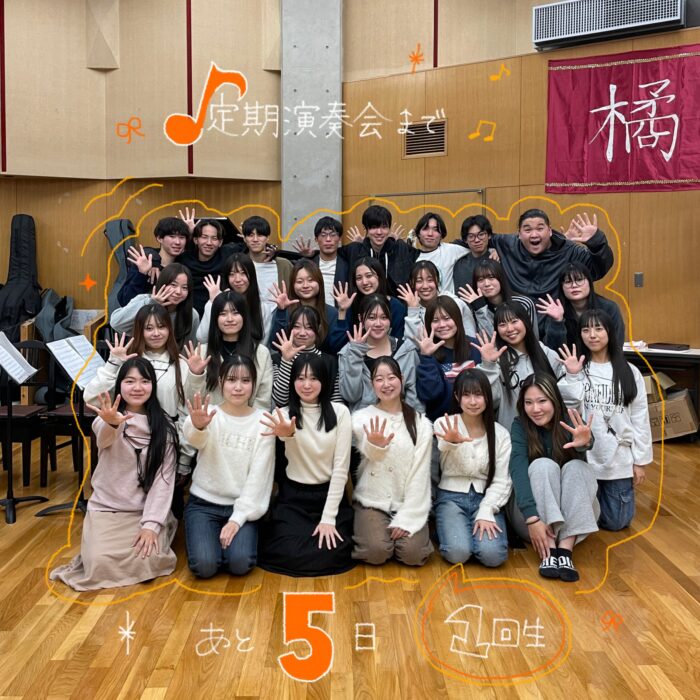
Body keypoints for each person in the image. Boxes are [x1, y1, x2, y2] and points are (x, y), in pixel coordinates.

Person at [50, 358, 179, 590]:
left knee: (148, 558)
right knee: (98, 563)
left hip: (143, 512)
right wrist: (111, 424)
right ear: (119, 385)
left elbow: (163, 483)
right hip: (107, 509)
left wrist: (150, 525)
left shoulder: (165, 427)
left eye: (144, 381)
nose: (137, 387)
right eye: (130, 381)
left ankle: (159, 531)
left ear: (153, 385)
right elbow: (104, 439)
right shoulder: (107, 419)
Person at [258, 354, 355, 576]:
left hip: (328, 495)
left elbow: (341, 469)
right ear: (293, 381)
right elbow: (287, 448)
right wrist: (287, 436)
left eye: (313, 378)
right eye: (300, 378)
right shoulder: (282, 415)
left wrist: (328, 518)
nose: (307, 385)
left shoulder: (340, 412)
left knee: (333, 550)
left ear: (324, 381)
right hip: (293, 498)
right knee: (288, 551)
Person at [85, 304, 206, 477]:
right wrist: (113, 364)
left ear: (169, 329)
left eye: (161, 327)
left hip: (166, 447)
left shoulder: (182, 365)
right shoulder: (127, 362)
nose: (156, 333)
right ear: (140, 331)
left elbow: (188, 413)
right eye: (149, 328)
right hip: (127, 445)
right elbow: (91, 398)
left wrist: (184, 459)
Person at [558, 310, 652, 531]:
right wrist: (572, 375)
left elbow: (640, 418)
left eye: (598, 329)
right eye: (586, 330)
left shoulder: (630, 372)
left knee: (616, 523)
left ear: (610, 332)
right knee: (584, 517)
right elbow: (568, 407)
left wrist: (640, 462)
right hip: (585, 456)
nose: (592, 335)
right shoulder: (575, 368)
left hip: (618, 459)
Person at [182, 355, 275, 578]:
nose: (238, 387)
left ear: (254, 385)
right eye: (232, 380)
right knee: (205, 566)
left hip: (241, 506)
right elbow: (195, 440)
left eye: (245, 380)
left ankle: (234, 540)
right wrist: (198, 426)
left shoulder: (264, 420)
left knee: (240, 564)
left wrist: (237, 519)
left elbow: (259, 478)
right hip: (203, 504)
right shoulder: (210, 414)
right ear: (221, 382)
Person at [509, 373, 599, 582]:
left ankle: (565, 551)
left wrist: (586, 443)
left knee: (577, 467)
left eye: (542, 401)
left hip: (574, 521)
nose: (535, 409)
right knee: (542, 465)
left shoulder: (570, 421)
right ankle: (549, 551)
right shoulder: (520, 425)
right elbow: (518, 469)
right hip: (533, 520)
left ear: (555, 400)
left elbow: (585, 440)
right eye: (529, 402)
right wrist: (532, 518)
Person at [351, 357, 434, 566]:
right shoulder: (360, 418)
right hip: (371, 500)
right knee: (376, 551)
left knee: (413, 554)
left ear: (402, 379)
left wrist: (408, 517)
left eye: (391, 377)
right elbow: (369, 453)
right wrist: (375, 445)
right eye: (379, 379)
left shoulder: (421, 423)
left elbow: (421, 474)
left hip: (407, 501)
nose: (386, 384)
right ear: (372, 384)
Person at [434, 369, 512, 567]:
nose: (473, 401)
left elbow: (502, 480)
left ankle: (464, 531)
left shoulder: (501, 434)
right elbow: (442, 448)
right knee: (457, 553)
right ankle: (450, 529)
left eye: (478, 395)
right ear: (457, 397)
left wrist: (487, 510)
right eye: (466, 395)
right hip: (450, 498)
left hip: (485, 498)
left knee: (493, 556)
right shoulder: (444, 424)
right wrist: (451, 442)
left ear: (487, 397)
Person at [490, 209, 614, 333]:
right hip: (515, 330)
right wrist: (492, 250)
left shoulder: (568, 250)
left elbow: (598, 269)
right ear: (519, 234)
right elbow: (481, 238)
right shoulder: (506, 245)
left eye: (540, 228)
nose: (534, 234)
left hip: (557, 328)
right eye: (527, 230)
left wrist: (596, 242)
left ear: (549, 231)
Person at [471, 302, 564, 431]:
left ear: (525, 321)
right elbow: (489, 401)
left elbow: (563, 397)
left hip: (550, 432)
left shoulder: (546, 354)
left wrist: (572, 374)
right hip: (512, 434)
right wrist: (488, 365)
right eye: (502, 324)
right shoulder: (495, 359)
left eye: (514, 321)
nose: (509, 329)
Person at [189, 290, 272, 410]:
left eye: (235, 313)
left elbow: (263, 401)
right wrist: (196, 374)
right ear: (215, 319)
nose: (229, 319)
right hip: (211, 419)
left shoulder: (261, 353)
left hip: (250, 420)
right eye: (223, 314)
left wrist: (249, 419)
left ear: (244, 316)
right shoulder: (201, 352)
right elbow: (193, 402)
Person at [338, 294, 422, 412]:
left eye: (384, 317)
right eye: (372, 318)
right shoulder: (348, 352)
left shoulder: (406, 350)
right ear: (360, 318)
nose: (378, 323)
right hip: (364, 420)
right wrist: (355, 355)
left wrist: (412, 420)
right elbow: (351, 396)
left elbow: (414, 396)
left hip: (401, 418)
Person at [414, 296, 480, 422]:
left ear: (457, 319)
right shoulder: (425, 353)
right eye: (435, 320)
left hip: (476, 421)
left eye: (447, 318)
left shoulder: (476, 346)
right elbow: (430, 394)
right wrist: (426, 357)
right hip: (442, 424)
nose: (442, 325)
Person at [538, 262, 625, 351]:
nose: (574, 285)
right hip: (566, 359)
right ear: (561, 287)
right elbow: (552, 351)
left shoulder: (609, 308)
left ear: (589, 282)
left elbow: (616, 344)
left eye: (579, 280)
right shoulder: (556, 310)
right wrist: (557, 322)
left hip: (601, 359)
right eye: (568, 282)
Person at [267, 259, 350, 353]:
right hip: (289, 361)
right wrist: (281, 311)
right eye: (299, 281)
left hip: (323, 361)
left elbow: (337, 348)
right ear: (293, 285)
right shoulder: (285, 310)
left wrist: (342, 312)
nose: (305, 285)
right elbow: (275, 345)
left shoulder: (331, 313)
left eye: (311, 280)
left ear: (319, 282)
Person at [111, 263, 200, 348]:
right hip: (141, 356)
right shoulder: (144, 300)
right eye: (173, 285)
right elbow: (116, 323)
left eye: (184, 288)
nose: (178, 292)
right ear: (163, 283)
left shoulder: (191, 314)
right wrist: (152, 303)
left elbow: (188, 348)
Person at [271, 305, 341, 408]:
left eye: (309, 327)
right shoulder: (277, 360)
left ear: (319, 328)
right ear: (290, 327)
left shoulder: (331, 362)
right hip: (290, 416)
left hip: (324, 416)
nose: (302, 333)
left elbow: (337, 403)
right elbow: (280, 400)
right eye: (296, 326)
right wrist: (286, 361)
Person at [339, 205, 419, 294]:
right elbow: (331, 253)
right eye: (374, 227)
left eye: (384, 227)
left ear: (389, 228)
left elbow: (422, 255)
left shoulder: (399, 248)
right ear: (365, 229)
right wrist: (359, 246)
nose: (379, 232)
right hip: (365, 301)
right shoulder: (355, 250)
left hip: (393, 301)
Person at [197, 253, 271, 344]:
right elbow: (202, 338)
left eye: (243, 273)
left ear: (252, 275)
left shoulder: (263, 308)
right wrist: (214, 302)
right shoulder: (217, 303)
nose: (238, 279)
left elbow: (263, 343)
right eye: (232, 274)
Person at [177, 218, 245, 316]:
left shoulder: (227, 253)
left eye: (214, 238)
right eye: (204, 237)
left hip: (221, 313)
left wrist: (248, 237)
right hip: (189, 314)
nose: (209, 243)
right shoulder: (184, 259)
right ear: (195, 240)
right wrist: (155, 261)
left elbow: (260, 248)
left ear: (220, 242)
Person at [117, 217, 190, 306]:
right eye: (172, 236)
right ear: (159, 238)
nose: (178, 242)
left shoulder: (184, 266)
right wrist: (141, 274)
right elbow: (125, 301)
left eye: (182, 237)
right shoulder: (145, 262)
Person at [457, 258, 538, 337]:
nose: (487, 284)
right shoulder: (477, 309)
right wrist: (480, 309)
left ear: (501, 278)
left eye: (491, 278)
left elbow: (533, 338)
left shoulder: (523, 303)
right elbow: (489, 340)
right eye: (480, 280)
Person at [398, 260, 476, 340]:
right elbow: (412, 343)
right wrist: (413, 310)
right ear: (411, 283)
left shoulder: (453, 302)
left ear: (438, 280)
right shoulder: (411, 306)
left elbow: (470, 336)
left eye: (430, 280)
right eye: (419, 281)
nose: (425, 286)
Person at [241, 215, 293, 316]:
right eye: (250, 235)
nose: (255, 239)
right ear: (244, 238)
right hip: (248, 318)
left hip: (279, 318)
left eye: (260, 235)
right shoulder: (239, 265)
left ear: (268, 237)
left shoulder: (284, 265)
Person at [349, 257, 406, 339]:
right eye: (359, 278)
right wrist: (342, 311)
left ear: (380, 276)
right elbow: (340, 343)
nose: (364, 282)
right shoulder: (352, 305)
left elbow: (399, 340)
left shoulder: (396, 307)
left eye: (369, 276)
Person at [413, 211, 470, 292]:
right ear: (418, 233)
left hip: (448, 300)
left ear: (441, 235)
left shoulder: (450, 250)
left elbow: (477, 246)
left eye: (435, 229)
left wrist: (490, 252)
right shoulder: (412, 257)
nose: (430, 234)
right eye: (426, 229)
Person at [306, 216, 349, 305]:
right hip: (314, 312)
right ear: (316, 239)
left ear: (340, 238)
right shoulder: (308, 266)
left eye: (333, 235)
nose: (328, 239)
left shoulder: (347, 266)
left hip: (340, 311)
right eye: (323, 235)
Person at [452, 215, 499, 294]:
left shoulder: (496, 259)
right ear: (465, 240)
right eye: (471, 236)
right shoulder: (459, 264)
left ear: (489, 235)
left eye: (481, 234)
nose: (477, 240)